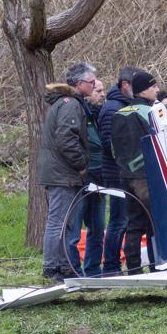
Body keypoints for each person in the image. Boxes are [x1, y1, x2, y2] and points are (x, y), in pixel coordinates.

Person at [38, 62, 96, 282]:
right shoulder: (70, 104)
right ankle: (51, 267)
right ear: (79, 83)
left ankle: (64, 266)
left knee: (67, 222)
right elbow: (67, 139)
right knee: (58, 222)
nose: (93, 86)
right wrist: (81, 165)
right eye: (90, 82)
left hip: (61, 173)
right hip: (62, 174)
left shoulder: (67, 103)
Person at [111, 71, 159, 274]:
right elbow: (159, 143)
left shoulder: (119, 113)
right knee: (154, 223)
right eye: (153, 86)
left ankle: (133, 268)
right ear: (143, 90)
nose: (157, 90)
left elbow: (112, 148)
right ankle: (157, 264)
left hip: (125, 176)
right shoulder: (149, 113)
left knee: (133, 223)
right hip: (146, 176)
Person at [98, 66, 141, 276]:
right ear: (125, 85)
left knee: (123, 219)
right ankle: (111, 266)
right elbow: (109, 142)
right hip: (116, 173)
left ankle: (114, 265)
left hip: (124, 171)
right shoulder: (113, 108)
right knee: (118, 220)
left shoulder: (123, 105)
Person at [67, 79, 106, 277]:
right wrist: (82, 168)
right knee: (74, 229)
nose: (101, 94)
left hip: (99, 179)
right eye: (98, 90)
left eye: (102, 90)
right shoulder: (79, 112)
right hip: (82, 178)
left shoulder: (99, 115)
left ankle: (93, 269)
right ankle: (74, 270)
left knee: (98, 227)